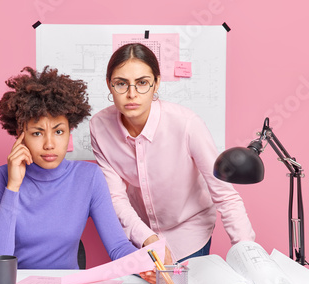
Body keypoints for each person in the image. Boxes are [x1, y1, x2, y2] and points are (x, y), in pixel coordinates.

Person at [89, 43, 256, 264]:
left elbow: (224, 194)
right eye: (121, 83)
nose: (131, 94)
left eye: (142, 83)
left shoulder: (187, 124)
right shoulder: (99, 127)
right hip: (140, 231)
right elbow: (115, 197)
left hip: (190, 231)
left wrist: (248, 255)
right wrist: (147, 237)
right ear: (109, 85)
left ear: (157, 82)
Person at [0, 66, 141, 270]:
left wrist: (152, 266)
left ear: (69, 132)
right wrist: (13, 186)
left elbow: (118, 247)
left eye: (58, 131)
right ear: (20, 136)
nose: (49, 144)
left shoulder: (88, 177)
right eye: (37, 133)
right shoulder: (1, 177)